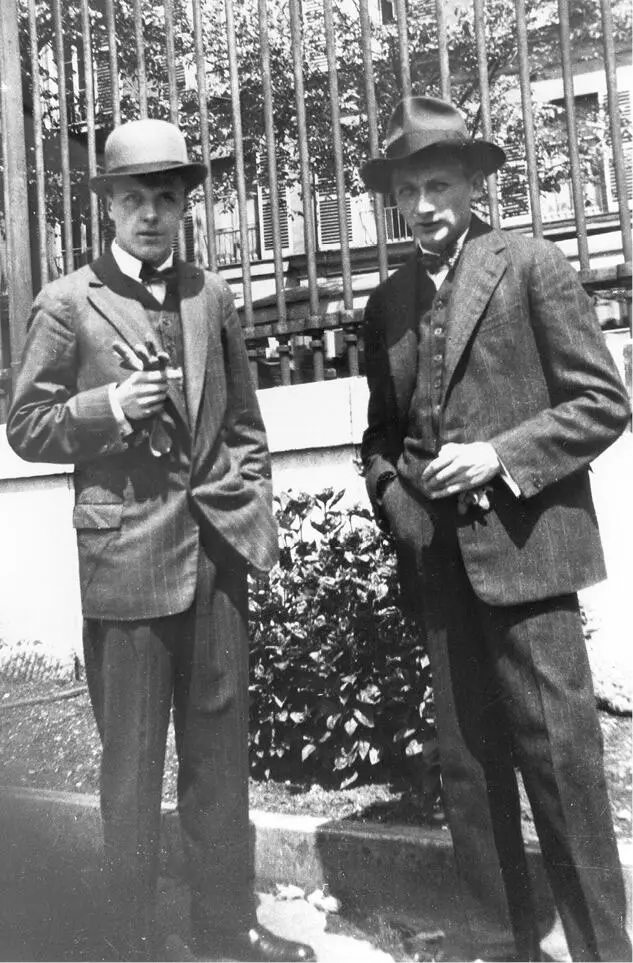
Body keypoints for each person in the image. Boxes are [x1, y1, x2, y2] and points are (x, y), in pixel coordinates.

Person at [6, 118, 314, 963]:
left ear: (184, 207)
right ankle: (130, 941)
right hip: (126, 566)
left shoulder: (208, 298)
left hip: (214, 563)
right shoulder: (69, 303)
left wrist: (248, 509)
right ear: (109, 205)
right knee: (133, 777)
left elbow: (245, 425)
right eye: (135, 199)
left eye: (166, 199)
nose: (151, 215)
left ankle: (226, 932)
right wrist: (109, 410)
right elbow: (25, 425)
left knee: (220, 766)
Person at [359, 95, 631, 962]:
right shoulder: (387, 303)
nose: (426, 204)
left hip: (528, 559)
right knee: (471, 775)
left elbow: (602, 401)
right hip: (440, 566)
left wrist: (497, 457)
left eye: (441, 184)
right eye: (411, 190)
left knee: (561, 770)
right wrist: (400, 508)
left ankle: (600, 949)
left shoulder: (531, 266)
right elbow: (380, 436)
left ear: (474, 185)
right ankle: (499, 946)